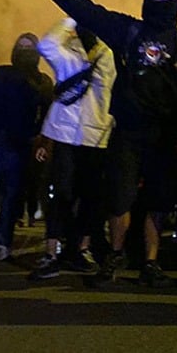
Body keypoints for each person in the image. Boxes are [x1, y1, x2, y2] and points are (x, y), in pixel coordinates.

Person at [23, 0, 177, 288]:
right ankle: (115, 256)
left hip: (163, 135)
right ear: (148, 2)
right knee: (120, 199)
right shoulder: (129, 33)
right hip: (127, 135)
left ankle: (150, 261)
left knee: (158, 203)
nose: (165, 3)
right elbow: (90, 12)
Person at [28, 18, 116, 280]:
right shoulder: (69, 52)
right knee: (60, 194)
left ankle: (81, 249)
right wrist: (70, 17)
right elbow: (45, 45)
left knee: (89, 198)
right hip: (65, 134)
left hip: (97, 135)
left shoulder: (110, 54)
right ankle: (52, 252)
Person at [0, 33, 53, 262]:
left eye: (29, 47)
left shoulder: (43, 81)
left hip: (19, 147)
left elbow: (47, 114)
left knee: (11, 197)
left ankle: (3, 242)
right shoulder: (1, 73)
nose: (25, 50)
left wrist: (40, 140)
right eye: (21, 46)